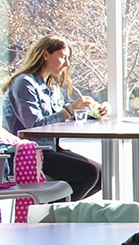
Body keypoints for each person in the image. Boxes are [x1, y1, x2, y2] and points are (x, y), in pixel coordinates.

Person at [1, 35, 107, 200]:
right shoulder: (24, 83)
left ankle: (52, 211)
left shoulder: (52, 87)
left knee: (103, 174)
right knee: (89, 173)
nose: (67, 64)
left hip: (49, 149)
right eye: (63, 57)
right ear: (45, 55)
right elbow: (34, 126)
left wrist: (96, 112)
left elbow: (67, 117)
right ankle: (52, 213)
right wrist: (70, 109)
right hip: (26, 154)